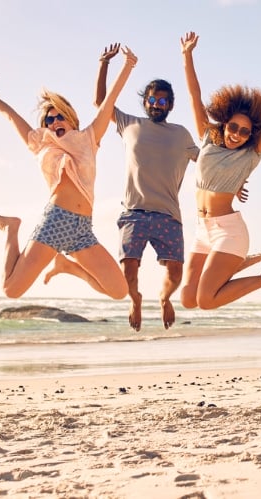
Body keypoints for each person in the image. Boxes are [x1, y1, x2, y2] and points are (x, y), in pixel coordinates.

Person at [0, 48, 138, 300]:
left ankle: (67, 266)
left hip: (82, 228)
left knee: (119, 291)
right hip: (55, 222)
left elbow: (109, 101)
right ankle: (11, 227)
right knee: (11, 290)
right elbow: (11, 116)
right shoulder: (42, 144)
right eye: (49, 120)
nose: (54, 122)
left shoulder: (88, 138)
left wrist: (128, 65)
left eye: (59, 116)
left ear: (71, 119)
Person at [178, 31, 261, 310]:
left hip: (228, 232)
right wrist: (187, 55)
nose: (237, 134)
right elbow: (194, 95)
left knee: (206, 301)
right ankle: (235, 265)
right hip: (202, 230)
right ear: (224, 123)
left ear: (250, 135)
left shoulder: (250, 155)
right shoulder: (208, 137)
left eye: (245, 131)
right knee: (187, 300)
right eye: (233, 127)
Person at [95, 44, 200, 332]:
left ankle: (165, 298)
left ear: (170, 106)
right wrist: (104, 65)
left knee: (176, 272)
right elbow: (101, 103)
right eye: (152, 99)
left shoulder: (181, 134)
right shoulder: (129, 124)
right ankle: (136, 299)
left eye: (163, 101)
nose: (156, 104)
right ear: (145, 102)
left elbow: (207, 163)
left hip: (168, 214)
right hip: (134, 213)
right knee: (128, 267)